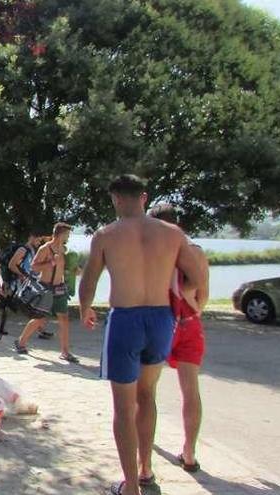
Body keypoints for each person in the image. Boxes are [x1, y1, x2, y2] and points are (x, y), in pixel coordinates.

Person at [78, 175, 206, 495]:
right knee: (147, 395)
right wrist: (195, 303)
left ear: (115, 199)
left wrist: (85, 309)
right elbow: (198, 273)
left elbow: (89, 279)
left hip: (126, 319)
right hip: (161, 319)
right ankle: (146, 469)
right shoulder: (172, 233)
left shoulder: (106, 235)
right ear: (144, 197)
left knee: (123, 407)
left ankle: (131, 487)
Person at [148, 202, 210, 474]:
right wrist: (190, 301)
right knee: (190, 390)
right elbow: (203, 295)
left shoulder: (154, 252)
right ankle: (189, 453)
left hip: (162, 323)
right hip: (190, 322)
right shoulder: (195, 251)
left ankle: (145, 452)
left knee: (146, 389)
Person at [13, 223, 78, 362]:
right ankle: (21, 342)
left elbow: (62, 267)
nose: (68, 236)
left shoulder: (63, 249)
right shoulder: (45, 249)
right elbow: (34, 267)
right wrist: (50, 264)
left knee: (64, 319)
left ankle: (65, 352)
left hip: (59, 288)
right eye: (67, 234)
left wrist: (74, 270)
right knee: (40, 319)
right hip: (45, 288)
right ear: (60, 234)